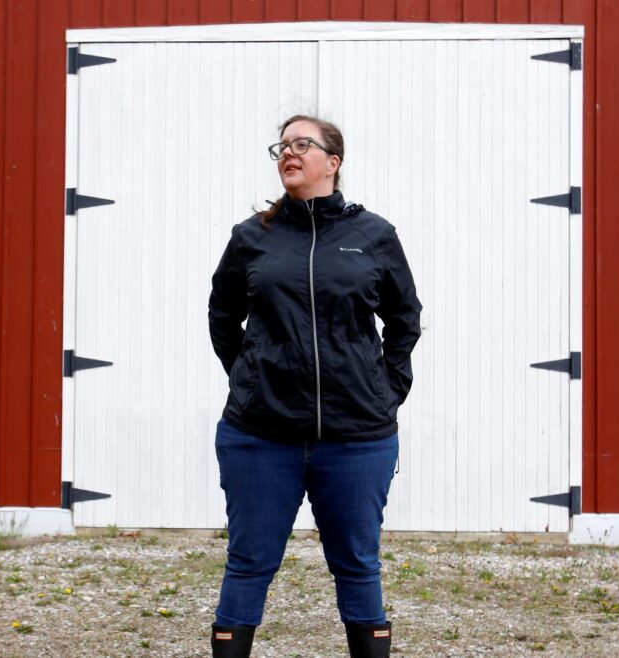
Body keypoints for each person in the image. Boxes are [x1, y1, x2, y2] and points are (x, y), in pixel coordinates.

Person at [207, 115, 422, 658]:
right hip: (260, 436)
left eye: (303, 144)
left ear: (334, 161)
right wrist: (249, 380)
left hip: (357, 438)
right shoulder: (252, 236)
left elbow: (404, 318)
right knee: (249, 561)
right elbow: (222, 313)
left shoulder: (373, 235)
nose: (289, 152)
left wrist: (384, 390)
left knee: (357, 565)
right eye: (282, 145)